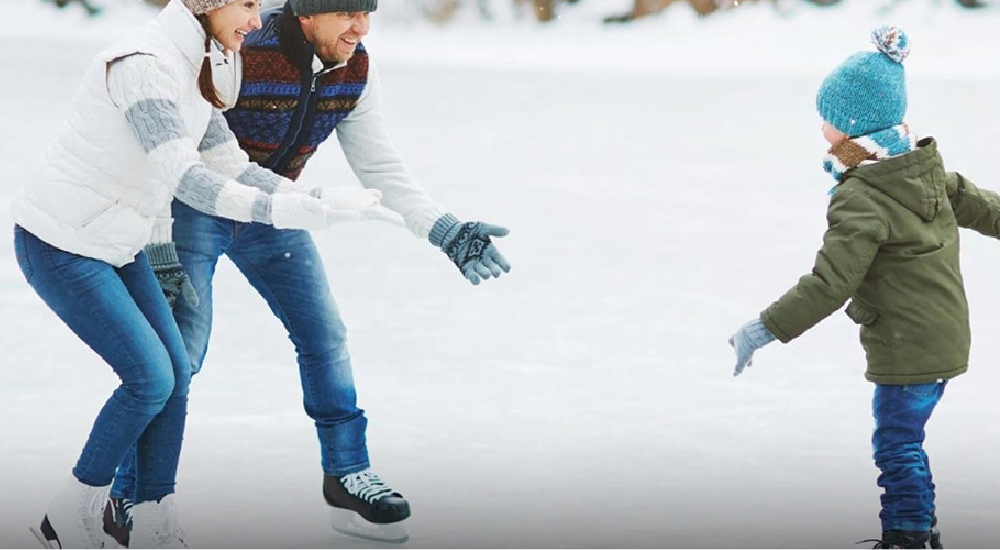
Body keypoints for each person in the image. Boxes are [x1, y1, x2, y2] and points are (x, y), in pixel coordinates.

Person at [104, 0, 513, 544]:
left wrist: (442, 230)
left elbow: (380, 165)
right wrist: (157, 242)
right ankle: (127, 496)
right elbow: (168, 145)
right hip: (197, 208)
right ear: (307, 15)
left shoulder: (355, 68)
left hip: (276, 210)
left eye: (367, 15)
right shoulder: (240, 46)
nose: (360, 28)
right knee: (179, 353)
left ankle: (346, 474)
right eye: (347, 15)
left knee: (324, 336)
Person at [13, 0, 392, 546]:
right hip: (63, 242)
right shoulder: (143, 65)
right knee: (151, 378)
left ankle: (153, 522)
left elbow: (231, 165)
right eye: (245, 4)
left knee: (174, 375)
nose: (257, 21)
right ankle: (70, 514)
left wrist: (313, 198)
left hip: (117, 242)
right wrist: (288, 212)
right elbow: (187, 179)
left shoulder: (202, 66)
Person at [727, 26, 1000, 549]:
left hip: (906, 345)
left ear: (853, 127)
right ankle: (916, 530)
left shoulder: (861, 196)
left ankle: (908, 537)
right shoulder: (925, 173)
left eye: (827, 117)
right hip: (942, 334)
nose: (821, 125)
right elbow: (991, 209)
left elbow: (831, 283)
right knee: (906, 442)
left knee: (897, 445)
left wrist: (764, 328)